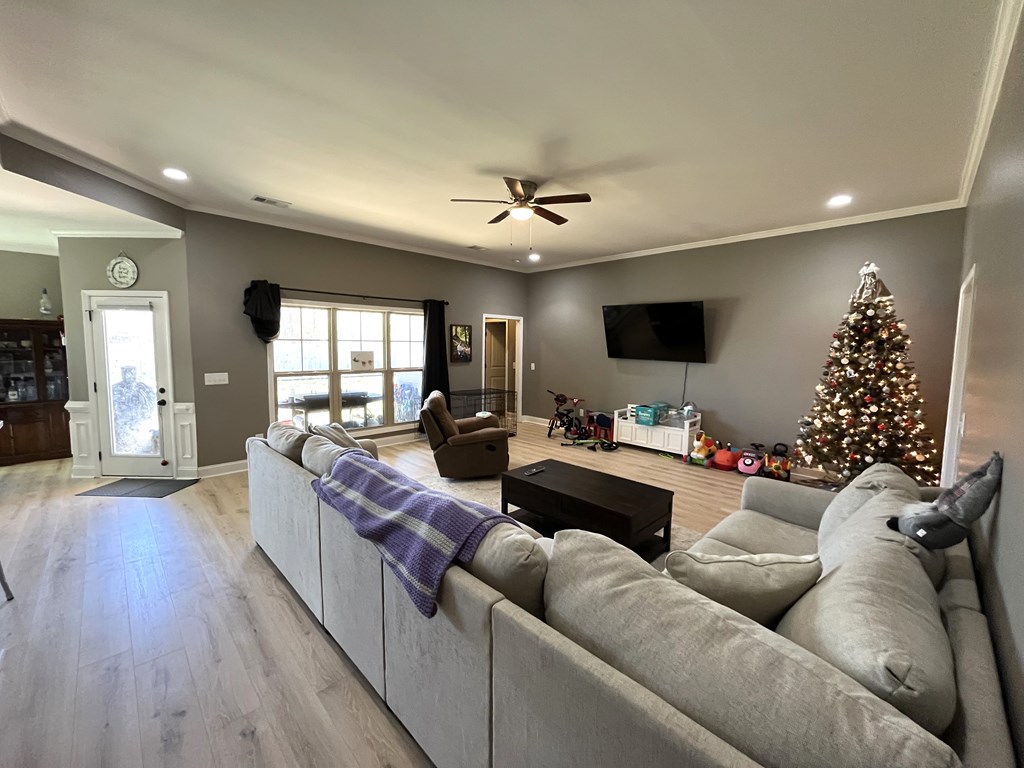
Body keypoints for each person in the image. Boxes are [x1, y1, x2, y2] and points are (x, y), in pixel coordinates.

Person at [111, 366, 157, 453]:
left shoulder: (143, 389)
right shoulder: (115, 389)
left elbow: (150, 407)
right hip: (121, 423)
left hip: (138, 423)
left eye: (131, 373)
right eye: (125, 373)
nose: (128, 375)